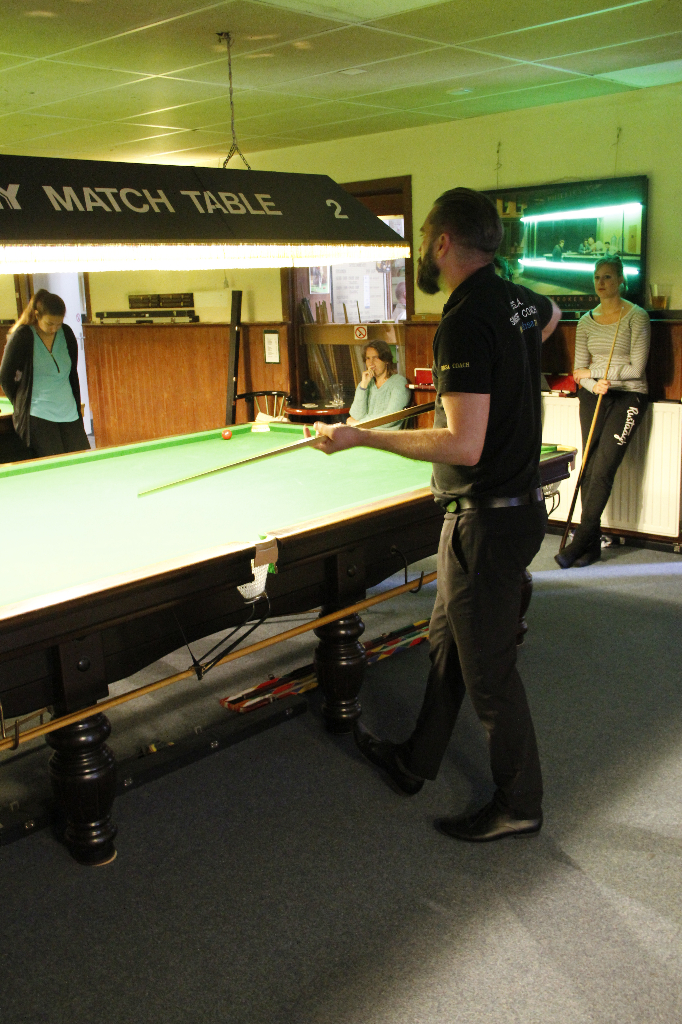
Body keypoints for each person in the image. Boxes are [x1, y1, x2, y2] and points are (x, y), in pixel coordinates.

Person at [309, 187, 561, 843]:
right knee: (448, 647)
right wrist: (512, 364)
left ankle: (521, 803)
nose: (422, 248)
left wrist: (361, 437)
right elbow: (554, 314)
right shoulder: (515, 299)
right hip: (511, 510)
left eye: (424, 237)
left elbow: (462, 444)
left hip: (485, 522)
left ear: (443, 242)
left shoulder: (465, 319)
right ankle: (414, 762)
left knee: (488, 673)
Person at [556, 256, 650, 569]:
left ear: (621, 280)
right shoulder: (585, 321)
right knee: (589, 465)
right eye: (597, 277)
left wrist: (593, 372)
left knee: (604, 467)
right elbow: (578, 372)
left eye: (608, 277)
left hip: (629, 396)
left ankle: (580, 540)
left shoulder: (637, 317)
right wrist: (593, 383)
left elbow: (636, 370)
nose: (601, 283)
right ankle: (592, 545)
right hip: (595, 395)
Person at [0, 289, 89, 458]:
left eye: (58, 324)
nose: (54, 328)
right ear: (37, 315)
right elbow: (5, 377)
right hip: (38, 414)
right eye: (49, 323)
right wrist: (20, 403)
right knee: (55, 464)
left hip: (69, 411)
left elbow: (71, 373)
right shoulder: (23, 336)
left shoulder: (67, 334)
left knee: (80, 461)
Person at [347, 340, 409, 430]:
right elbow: (356, 415)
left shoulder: (399, 382)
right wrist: (363, 386)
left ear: (386, 360)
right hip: (363, 433)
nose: (371, 363)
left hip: (385, 436)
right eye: (368, 358)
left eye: (375, 357)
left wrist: (360, 423)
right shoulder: (365, 383)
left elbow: (390, 418)